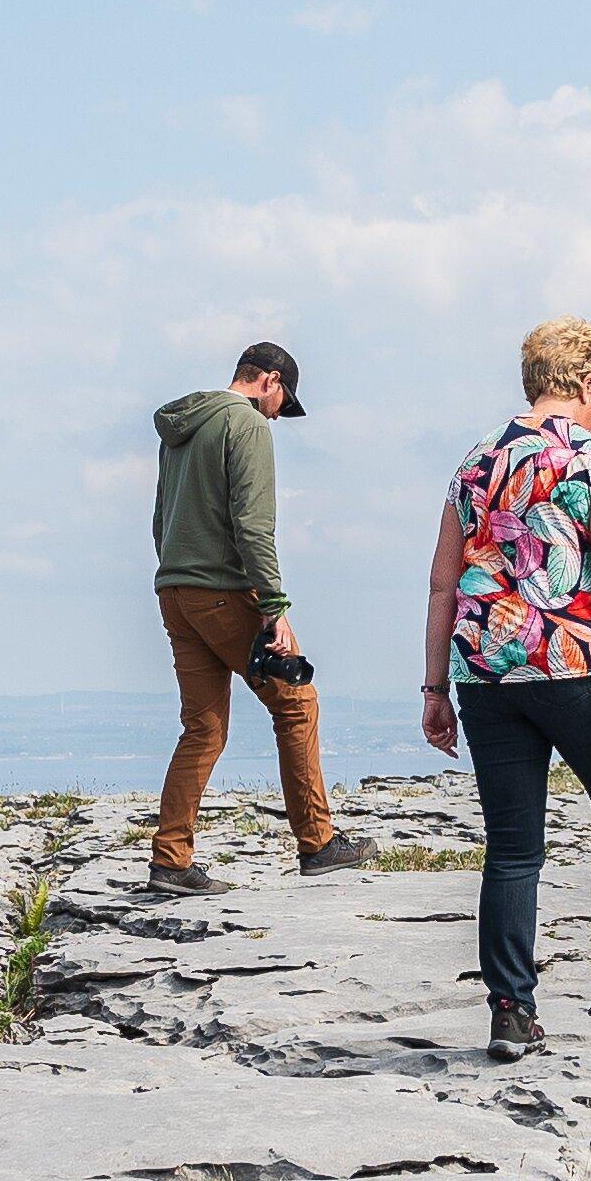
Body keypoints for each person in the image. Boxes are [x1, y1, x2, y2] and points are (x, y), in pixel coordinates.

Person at [421, 316, 591, 1058]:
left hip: (485, 671)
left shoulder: (474, 462)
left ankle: (510, 1012)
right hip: (570, 663)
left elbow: (443, 581)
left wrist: (435, 687)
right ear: (587, 384)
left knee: (511, 846)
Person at [150, 338, 370, 888]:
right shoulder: (245, 425)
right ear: (268, 380)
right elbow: (253, 526)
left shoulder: (183, 427)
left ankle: (170, 860)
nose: (280, 413)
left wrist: (184, 576)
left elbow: (160, 520)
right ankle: (317, 843)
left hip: (176, 591)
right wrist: (274, 607)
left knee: (202, 727)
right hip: (223, 591)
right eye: (283, 400)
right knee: (296, 701)